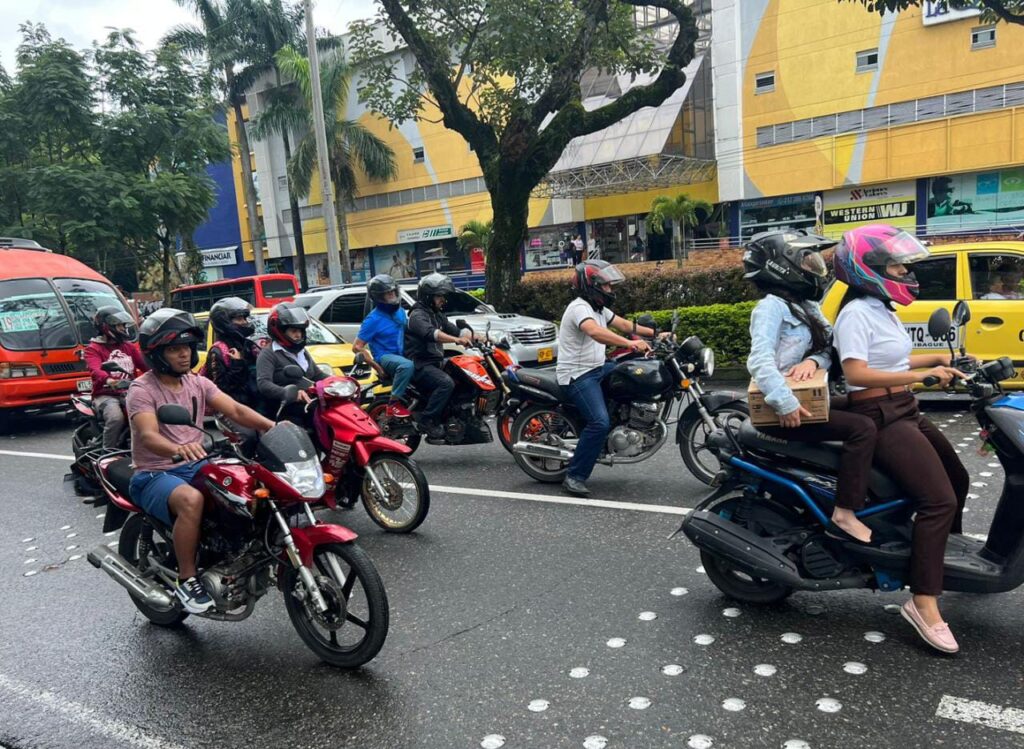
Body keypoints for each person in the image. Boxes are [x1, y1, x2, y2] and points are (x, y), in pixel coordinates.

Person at [832, 224, 969, 654]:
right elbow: (855, 373)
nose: (905, 270)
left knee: (958, 479)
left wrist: (940, 357)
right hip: (879, 412)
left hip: (904, 406)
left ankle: (944, 563)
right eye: (895, 263)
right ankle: (923, 600)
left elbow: (891, 358)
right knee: (938, 500)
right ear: (868, 268)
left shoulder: (881, 308)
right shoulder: (854, 313)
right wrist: (921, 375)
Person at [126, 308, 274, 613]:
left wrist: (275, 427)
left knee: (248, 483)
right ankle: (187, 578)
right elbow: (147, 434)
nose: (183, 355)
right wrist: (176, 450)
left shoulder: (197, 383)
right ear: (156, 353)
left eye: (187, 348)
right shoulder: (142, 389)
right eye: (174, 349)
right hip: (155, 472)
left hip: (194, 464)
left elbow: (236, 410)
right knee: (191, 500)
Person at [743, 230, 879, 544]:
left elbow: (832, 347)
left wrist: (815, 362)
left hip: (812, 397)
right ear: (781, 266)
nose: (815, 268)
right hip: (785, 410)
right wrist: (784, 402)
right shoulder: (771, 308)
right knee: (862, 429)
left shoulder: (805, 305)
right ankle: (845, 512)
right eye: (807, 261)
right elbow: (760, 361)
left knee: (869, 409)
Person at [556, 260, 669, 497]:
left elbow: (625, 324)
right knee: (599, 423)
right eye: (606, 286)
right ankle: (574, 476)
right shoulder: (580, 308)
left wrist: (658, 334)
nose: (610, 290)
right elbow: (595, 332)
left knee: (632, 374)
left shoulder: (599, 310)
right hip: (578, 375)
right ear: (592, 286)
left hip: (598, 367)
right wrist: (630, 343)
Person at [405, 272, 472, 440]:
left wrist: (479, 336)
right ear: (428, 296)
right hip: (420, 364)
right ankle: (427, 420)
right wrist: (457, 340)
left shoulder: (436, 313)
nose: (443, 300)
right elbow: (431, 334)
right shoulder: (417, 315)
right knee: (445, 383)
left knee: (463, 373)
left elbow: (454, 329)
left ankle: (453, 415)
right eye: (439, 296)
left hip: (435, 362)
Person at [202, 297, 262, 449]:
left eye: (244, 318)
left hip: (253, 403)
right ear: (225, 322)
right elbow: (221, 388)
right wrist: (237, 364)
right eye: (238, 319)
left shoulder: (248, 345)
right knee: (249, 437)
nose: (244, 322)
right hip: (229, 408)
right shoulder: (218, 351)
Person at [84, 306, 147, 448]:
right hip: (106, 394)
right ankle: (107, 454)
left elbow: (144, 364)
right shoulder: (93, 349)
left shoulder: (128, 347)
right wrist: (109, 380)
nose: (123, 329)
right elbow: (96, 370)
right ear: (106, 327)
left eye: (123, 325)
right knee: (115, 418)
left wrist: (161, 372)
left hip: (130, 392)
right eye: (119, 325)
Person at [256, 302, 329, 424]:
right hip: (286, 410)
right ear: (280, 331)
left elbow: (318, 375)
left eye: (301, 330)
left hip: (312, 404)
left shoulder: (302, 352)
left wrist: (340, 382)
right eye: (294, 331)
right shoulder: (268, 354)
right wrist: (289, 393)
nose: (298, 335)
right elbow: (263, 384)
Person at [352, 274, 413, 418]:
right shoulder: (373, 320)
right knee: (407, 366)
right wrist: (376, 366)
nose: (392, 295)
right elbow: (357, 347)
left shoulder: (400, 312)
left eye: (393, 291)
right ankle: (393, 404)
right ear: (378, 297)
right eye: (388, 293)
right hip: (384, 357)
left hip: (402, 354)